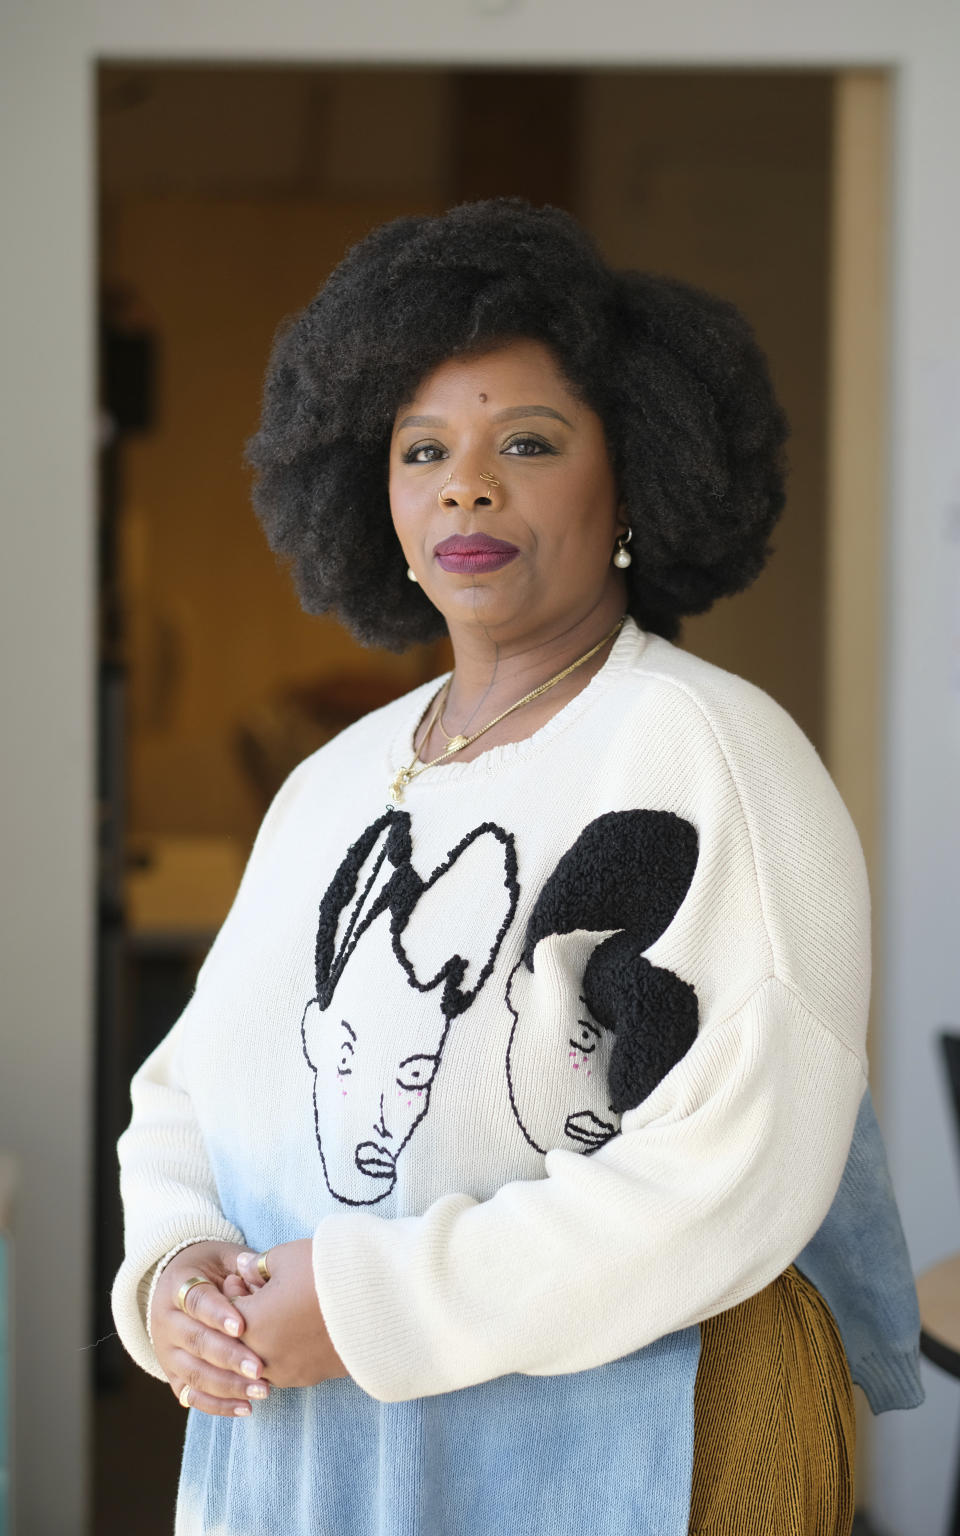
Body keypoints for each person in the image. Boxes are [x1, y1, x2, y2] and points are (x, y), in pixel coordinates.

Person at [112, 196, 923, 1536]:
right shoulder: (330, 786)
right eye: (423, 448)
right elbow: (191, 1093)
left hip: (623, 1474)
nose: (464, 486)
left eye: (526, 443)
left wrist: (367, 1306)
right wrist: (176, 1274)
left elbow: (729, 1176)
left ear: (635, 479)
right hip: (315, 1472)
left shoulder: (713, 755)